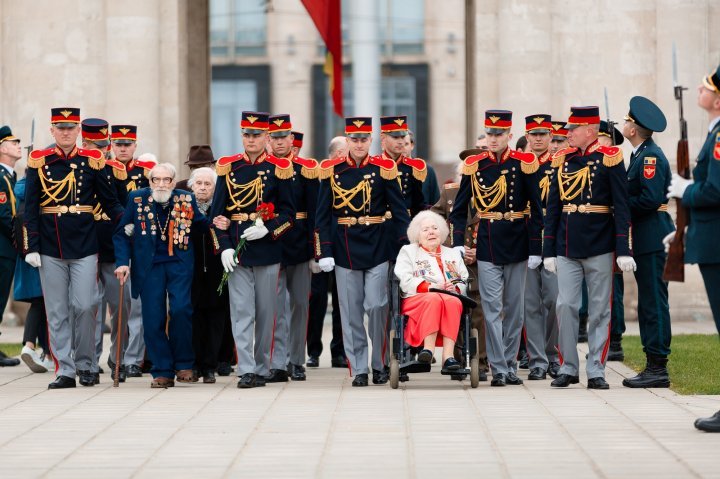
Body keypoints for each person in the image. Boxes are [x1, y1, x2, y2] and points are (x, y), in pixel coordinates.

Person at [24, 107, 124, 388]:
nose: (66, 132)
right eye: (60, 127)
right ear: (52, 130)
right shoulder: (38, 161)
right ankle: (65, 370)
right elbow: (30, 208)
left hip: (84, 243)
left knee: (86, 305)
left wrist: (129, 223)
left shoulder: (91, 160)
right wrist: (30, 245)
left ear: (79, 132)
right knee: (57, 311)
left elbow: (110, 201)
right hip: (49, 244)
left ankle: (86, 363)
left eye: (71, 127)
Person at [449, 110, 543, 387]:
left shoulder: (524, 163)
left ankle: (510, 364)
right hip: (488, 241)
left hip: (518, 240)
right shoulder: (474, 165)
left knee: (514, 309)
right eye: (489, 134)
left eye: (498, 134)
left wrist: (537, 248)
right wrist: (457, 244)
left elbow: (537, 210)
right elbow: (459, 209)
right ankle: (498, 366)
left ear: (510, 136)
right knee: (491, 308)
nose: (492, 139)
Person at [315, 116, 411, 387]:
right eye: (354, 139)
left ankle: (379, 364)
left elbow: (400, 211)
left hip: (378, 244)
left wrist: (406, 245)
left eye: (363, 139)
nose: (358, 144)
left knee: (378, 305)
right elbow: (322, 216)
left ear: (371, 141)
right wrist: (324, 251)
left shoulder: (384, 169)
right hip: (344, 246)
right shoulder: (331, 170)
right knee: (351, 311)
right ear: (347, 141)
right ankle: (358, 368)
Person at [543, 106, 634, 390]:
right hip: (567, 244)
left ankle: (596, 369)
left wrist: (624, 249)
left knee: (599, 311)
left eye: (573, 129)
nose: (567, 134)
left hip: (600, 243)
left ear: (590, 131)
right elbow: (553, 207)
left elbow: (621, 205)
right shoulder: (562, 159)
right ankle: (568, 367)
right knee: (566, 305)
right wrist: (548, 251)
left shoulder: (610, 158)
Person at [210, 111, 296, 389]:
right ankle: (246, 369)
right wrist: (223, 248)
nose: (251, 139)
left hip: (267, 249)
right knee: (241, 311)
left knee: (267, 313)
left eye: (256, 135)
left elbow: (288, 215)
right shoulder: (228, 167)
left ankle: (263, 366)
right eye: (246, 134)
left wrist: (269, 230)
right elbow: (217, 215)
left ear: (267, 137)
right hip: (237, 249)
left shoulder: (279, 167)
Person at [114, 163, 210, 388]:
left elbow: (201, 224)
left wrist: (219, 222)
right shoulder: (136, 199)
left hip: (179, 264)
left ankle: (184, 363)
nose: (161, 184)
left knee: (181, 310)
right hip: (149, 267)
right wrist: (121, 263)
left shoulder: (185, 199)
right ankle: (162, 369)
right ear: (149, 182)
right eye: (155, 179)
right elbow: (121, 233)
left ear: (174, 182)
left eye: (166, 179)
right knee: (153, 317)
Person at [666, 64, 720, 432]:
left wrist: (687, 191)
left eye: (705, 88)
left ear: (717, 98)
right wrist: (684, 229)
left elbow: (716, 190)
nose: (699, 92)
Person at [617, 96, 673, 388]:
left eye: (627, 121)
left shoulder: (650, 157)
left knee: (653, 303)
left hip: (652, 236)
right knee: (648, 303)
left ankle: (658, 367)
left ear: (633, 129)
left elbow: (650, 199)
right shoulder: (639, 155)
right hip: (646, 235)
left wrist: (621, 206)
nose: (624, 124)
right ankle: (653, 363)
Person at [266, 114, 318, 382]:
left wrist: (315, 251)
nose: (278, 142)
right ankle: (277, 361)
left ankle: (296, 360)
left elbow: (314, 212)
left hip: (299, 242)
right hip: (270, 244)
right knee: (275, 306)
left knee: (299, 304)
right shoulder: (263, 168)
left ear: (292, 139)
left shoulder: (307, 168)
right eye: (273, 138)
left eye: (283, 137)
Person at [431, 157, 488, 381]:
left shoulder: (491, 192)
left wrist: (478, 250)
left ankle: (481, 363)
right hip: (454, 260)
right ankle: (456, 359)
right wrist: (451, 247)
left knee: (479, 312)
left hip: (481, 260)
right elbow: (433, 222)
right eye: (465, 174)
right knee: (454, 305)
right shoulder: (449, 193)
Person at [394, 211, 469, 371]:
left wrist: (454, 286)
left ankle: (448, 357)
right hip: (418, 299)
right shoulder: (408, 251)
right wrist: (430, 287)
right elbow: (405, 280)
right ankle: (428, 350)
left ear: (441, 232)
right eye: (425, 229)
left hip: (448, 297)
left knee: (453, 301)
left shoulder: (452, 253)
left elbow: (463, 277)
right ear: (417, 235)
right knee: (433, 299)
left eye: (435, 228)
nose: (431, 232)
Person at [110, 124, 152, 377]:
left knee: (136, 307)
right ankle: (116, 355)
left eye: (128, 144)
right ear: (112, 145)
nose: (123, 148)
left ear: (135, 146)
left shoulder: (146, 173)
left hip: (140, 244)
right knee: (117, 308)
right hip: (111, 241)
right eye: (118, 144)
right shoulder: (102, 170)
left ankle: (132, 360)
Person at [522, 114, 560, 380]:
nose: (537, 138)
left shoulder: (559, 164)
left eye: (542, 134)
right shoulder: (519, 164)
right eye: (533, 134)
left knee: (554, 300)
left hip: (551, 236)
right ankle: (537, 360)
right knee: (529, 303)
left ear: (549, 136)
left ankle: (553, 354)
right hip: (523, 238)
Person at [306, 136, 348, 369]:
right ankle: (313, 350)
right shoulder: (322, 175)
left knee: (343, 302)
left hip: (345, 249)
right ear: (332, 155)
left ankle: (339, 352)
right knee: (317, 301)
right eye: (342, 152)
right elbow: (316, 218)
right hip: (322, 248)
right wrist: (316, 253)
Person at [187, 166, 228, 384]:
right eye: (198, 184)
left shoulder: (221, 208)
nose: (202, 188)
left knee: (216, 316)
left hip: (216, 268)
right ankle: (193, 364)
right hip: (190, 269)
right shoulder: (184, 206)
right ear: (191, 185)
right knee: (193, 315)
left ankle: (210, 365)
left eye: (207, 184)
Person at [598, 120, 627, 361]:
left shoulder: (615, 162)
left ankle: (615, 339)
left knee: (614, 290)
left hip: (615, 231)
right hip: (599, 233)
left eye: (602, 139)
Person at [0, 125, 21, 367]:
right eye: (14, 143)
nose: (18, 146)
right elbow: (4, 215)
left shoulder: (10, 175)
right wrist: (20, 238)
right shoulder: (1, 176)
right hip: (3, 247)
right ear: (3, 148)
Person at [406, 129, 439, 206]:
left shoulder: (427, 170)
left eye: (406, 144)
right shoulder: (388, 171)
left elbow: (435, 203)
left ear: (412, 145)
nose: (402, 148)